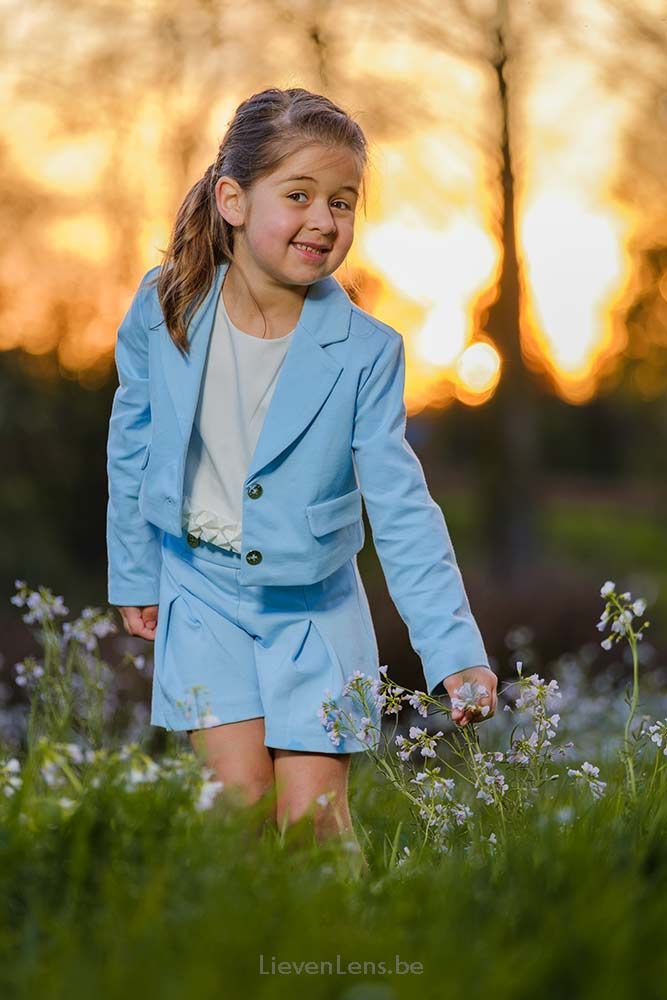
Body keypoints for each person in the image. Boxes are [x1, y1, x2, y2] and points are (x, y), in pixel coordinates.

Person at [106, 86, 497, 851]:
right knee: (237, 806)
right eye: (299, 195)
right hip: (201, 591)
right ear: (233, 199)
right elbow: (132, 441)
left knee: (314, 823)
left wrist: (454, 652)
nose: (324, 219)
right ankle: (234, 965)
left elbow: (402, 506)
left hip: (315, 611)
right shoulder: (164, 307)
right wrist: (134, 571)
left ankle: (331, 966)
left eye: (343, 202)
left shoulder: (366, 352)